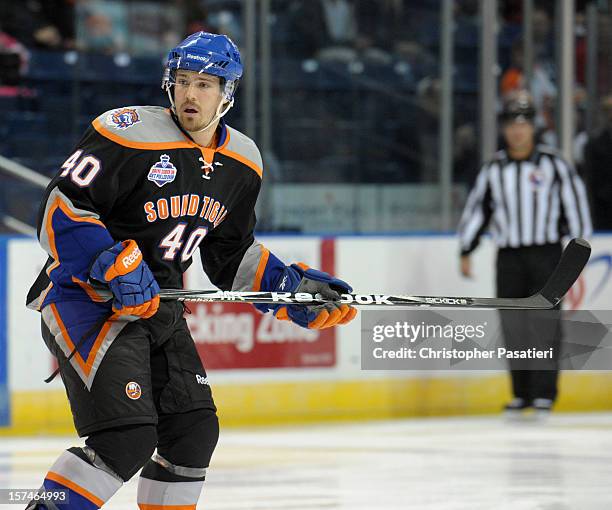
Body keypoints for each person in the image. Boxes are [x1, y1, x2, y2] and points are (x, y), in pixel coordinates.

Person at [25, 31, 357, 509]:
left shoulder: (243, 161)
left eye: (204, 84)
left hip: (158, 307)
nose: (189, 94)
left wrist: (288, 288)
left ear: (228, 94)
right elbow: (60, 206)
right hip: (87, 302)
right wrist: (107, 261)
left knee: (193, 432)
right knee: (126, 439)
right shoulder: (125, 132)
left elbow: (229, 253)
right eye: (181, 81)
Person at [457, 90, 592, 416]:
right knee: (513, 324)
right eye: (511, 124)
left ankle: (544, 393)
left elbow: (575, 209)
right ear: (504, 129)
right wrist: (466, 248)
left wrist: (578, 254)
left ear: (533, 127)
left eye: (523, 123)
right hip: (509, 258)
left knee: (545, 324)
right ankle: (522, 393)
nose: (517, 131)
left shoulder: (554, 165)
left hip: (546, 254)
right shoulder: (494, 168)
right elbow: (478, 210)